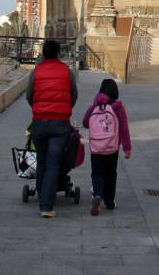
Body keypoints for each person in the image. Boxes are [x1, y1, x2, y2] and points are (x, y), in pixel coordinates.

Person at [25, 39, 77, 218]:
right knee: (54, 164)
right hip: (60, 123)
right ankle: (46, 206)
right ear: (58, 53)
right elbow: (74, 95)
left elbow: (29, 96)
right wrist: (64, 109)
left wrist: (38, 107)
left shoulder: (36, 71)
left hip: (39, 122)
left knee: (42, 161)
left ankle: (42, 197)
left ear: (43, 54)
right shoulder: (66, 72)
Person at [81, 77, 132, 216]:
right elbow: (124, 129)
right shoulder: (118, 108)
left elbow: (85, 122)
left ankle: (98, 194)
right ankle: (109, 201)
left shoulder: (94, 106)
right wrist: (127, 148)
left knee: (97, 173)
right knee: (111, 174)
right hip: (112, 147)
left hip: (96, 148)